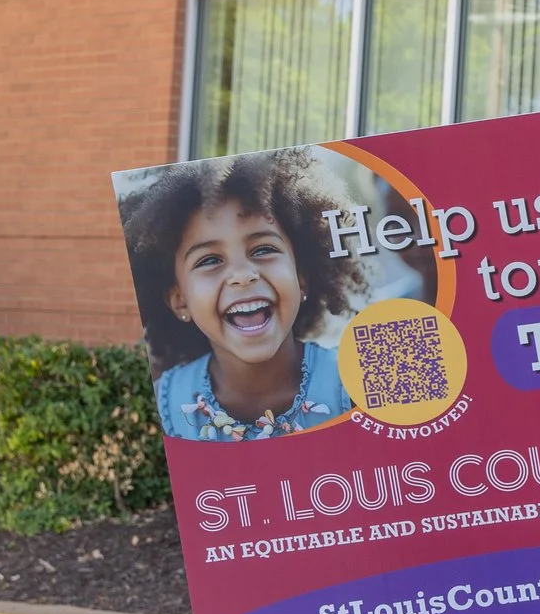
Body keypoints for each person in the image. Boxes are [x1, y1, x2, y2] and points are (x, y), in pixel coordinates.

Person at [122, 150, 364, 441]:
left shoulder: (359, 383)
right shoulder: (164, 407)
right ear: (180, 300)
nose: (242, 274)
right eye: (209, 260)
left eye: (263, 250)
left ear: (301, 278)